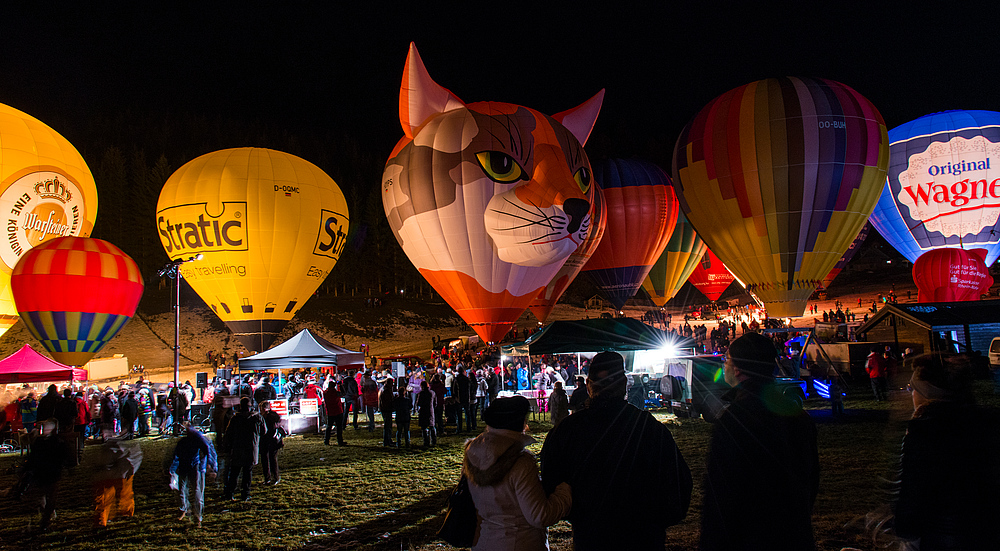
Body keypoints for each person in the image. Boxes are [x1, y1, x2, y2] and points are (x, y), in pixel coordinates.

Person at [541, 351, 692, 550]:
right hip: (642, 536)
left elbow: (551, 483)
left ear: (589, 386)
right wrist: (653, 520)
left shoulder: (567, 431)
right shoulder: (649, 428)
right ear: (623, 384)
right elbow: (678, 485)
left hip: (592, 536)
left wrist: (578, 514)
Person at [700, 332, 819, 550]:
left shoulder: (735, 420)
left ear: (737, 369)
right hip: (793, 535)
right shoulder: (798, 416)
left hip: (749, 537)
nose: (724, 366)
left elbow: (721, 495)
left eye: (726, 360)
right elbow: (811, 479)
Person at [893, 353, 1000, 549]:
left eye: (912, 389)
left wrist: (904, 527)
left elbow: (915, 488)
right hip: (989, 529)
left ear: (926, 392)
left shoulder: (925, 431)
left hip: (944, 534)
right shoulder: (989, 421)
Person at [464, 396, 572, 550]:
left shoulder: (472, 453)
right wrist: (565, 491)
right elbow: (539, 515)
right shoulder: (521, 462)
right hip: (521, 542)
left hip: (484, 541)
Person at [169, 423, 218, 528]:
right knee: (191, 490)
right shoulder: (192, 441)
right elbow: (176, 455)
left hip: (191, 466)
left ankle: (192, 513)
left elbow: (206, 451)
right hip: (190, 466)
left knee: (191, 490)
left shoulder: (192, 440)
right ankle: (191, 512)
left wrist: (208, 464)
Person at [222, 397, 265, 502]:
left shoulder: (235, 418)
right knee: (247, 472)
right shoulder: (257, 418)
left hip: (238, 447)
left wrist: (228, 445)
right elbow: (264, 431)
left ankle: (230, 493)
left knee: (234, 472)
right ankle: (245, 494)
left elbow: (228, 434)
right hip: (250, 447)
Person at [93, 438, 143, 528]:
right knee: (112, 495)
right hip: (116, 473)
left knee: (119, 494)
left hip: (118, 473)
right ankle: (106, 519)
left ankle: (110, 517)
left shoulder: (124, 446)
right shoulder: (126, 446)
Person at [258, 401, 282, 485]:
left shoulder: (267, 418)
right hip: (274, 441)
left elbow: (268, 431)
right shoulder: (274, 416)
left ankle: (270, 478)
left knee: (267, 460)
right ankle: (274, 477)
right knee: (272, 459)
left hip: (268, 441)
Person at [323, 377, 346, 446]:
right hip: (338, 411)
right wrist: (341, 385)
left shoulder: (326, 393)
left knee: (329, 427)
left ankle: (326, 440)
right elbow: (343, 393)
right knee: (339, 427)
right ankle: (340, 441)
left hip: (330, 412)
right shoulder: (335, 393)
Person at [417, 380, 436, 447]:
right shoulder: (432, 393)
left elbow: (419, 403)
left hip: (423, 411)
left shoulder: (421, 393)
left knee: (424, 427)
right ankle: (434, 440)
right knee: (432, 426)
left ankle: (426, 441)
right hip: (430, 410)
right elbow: (435, 403)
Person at [394, 380, 412, 448]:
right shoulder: (407, 400)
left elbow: (394, 407)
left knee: (399, 430)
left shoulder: (396, 400)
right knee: (406, 430)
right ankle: (407, 442)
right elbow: (410, 406)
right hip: (406, 416)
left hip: (399, 416)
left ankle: (398, 443)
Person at [378, 377, 395, 447]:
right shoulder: (386, 391)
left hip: (384, 409)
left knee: (388, 425)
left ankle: (388, 439)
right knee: (387, 425)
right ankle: (387, 441)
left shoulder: (383, 389)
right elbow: (388, 401)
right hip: (386, 409)